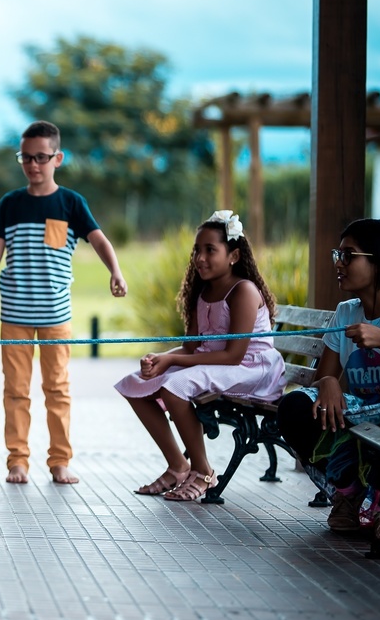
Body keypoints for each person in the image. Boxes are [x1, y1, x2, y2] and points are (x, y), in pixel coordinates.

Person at [0, 120, 126, 485]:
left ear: (58, 158)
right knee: (16, 391)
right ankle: (17, 461)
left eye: (41, 157)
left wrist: (115, 271)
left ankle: (59, 461)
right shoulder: (11, 203)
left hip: (56, 315)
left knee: (57, 389)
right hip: (15, 314)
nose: (33, 164)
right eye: (26, 157)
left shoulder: (71, 203)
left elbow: (99, 240)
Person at [115, 211, 286, 501]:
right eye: (197, 250)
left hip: (251, 370)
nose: (200, 258)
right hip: (219, 364)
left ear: (233, 255)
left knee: (174, 387)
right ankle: (178, 465)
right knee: (134, 384)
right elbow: (193, 349)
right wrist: (162, 358)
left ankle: (204, 471)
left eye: (210, 250)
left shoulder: (242, 290)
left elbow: (233, 355)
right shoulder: (202, 291)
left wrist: (173, 362)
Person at [277, 218, 380, 542]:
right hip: (361, 412)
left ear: (379, 262)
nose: (339, 263)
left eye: (348, 255)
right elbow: (327, 373)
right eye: (337, 254)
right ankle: (350, 494)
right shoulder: (345, 312)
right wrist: (328, 382)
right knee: (295, 405)